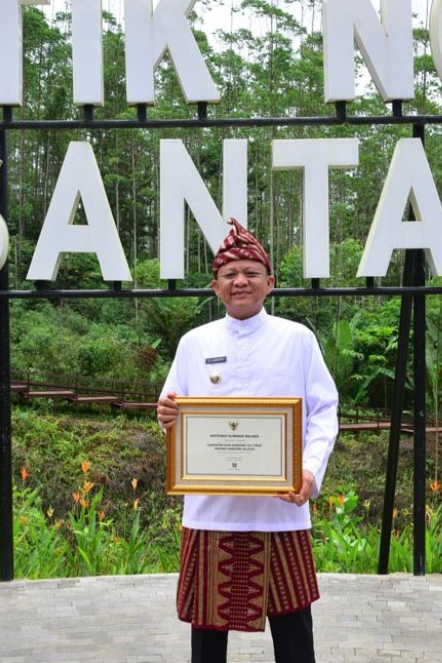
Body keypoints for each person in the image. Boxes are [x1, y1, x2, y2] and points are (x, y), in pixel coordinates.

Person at [157, 218, 339, 663]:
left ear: (270, 283)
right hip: (209, 511)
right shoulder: (193, 343)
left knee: (295, 634)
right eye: (230, 274)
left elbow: (324, 411)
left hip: (280, 511)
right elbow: (172, 412)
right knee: (206, 637)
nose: (241, 281)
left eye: (251, 273)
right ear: (215, 286)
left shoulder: (297, 339)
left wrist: (310, 473)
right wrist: (166, 415)